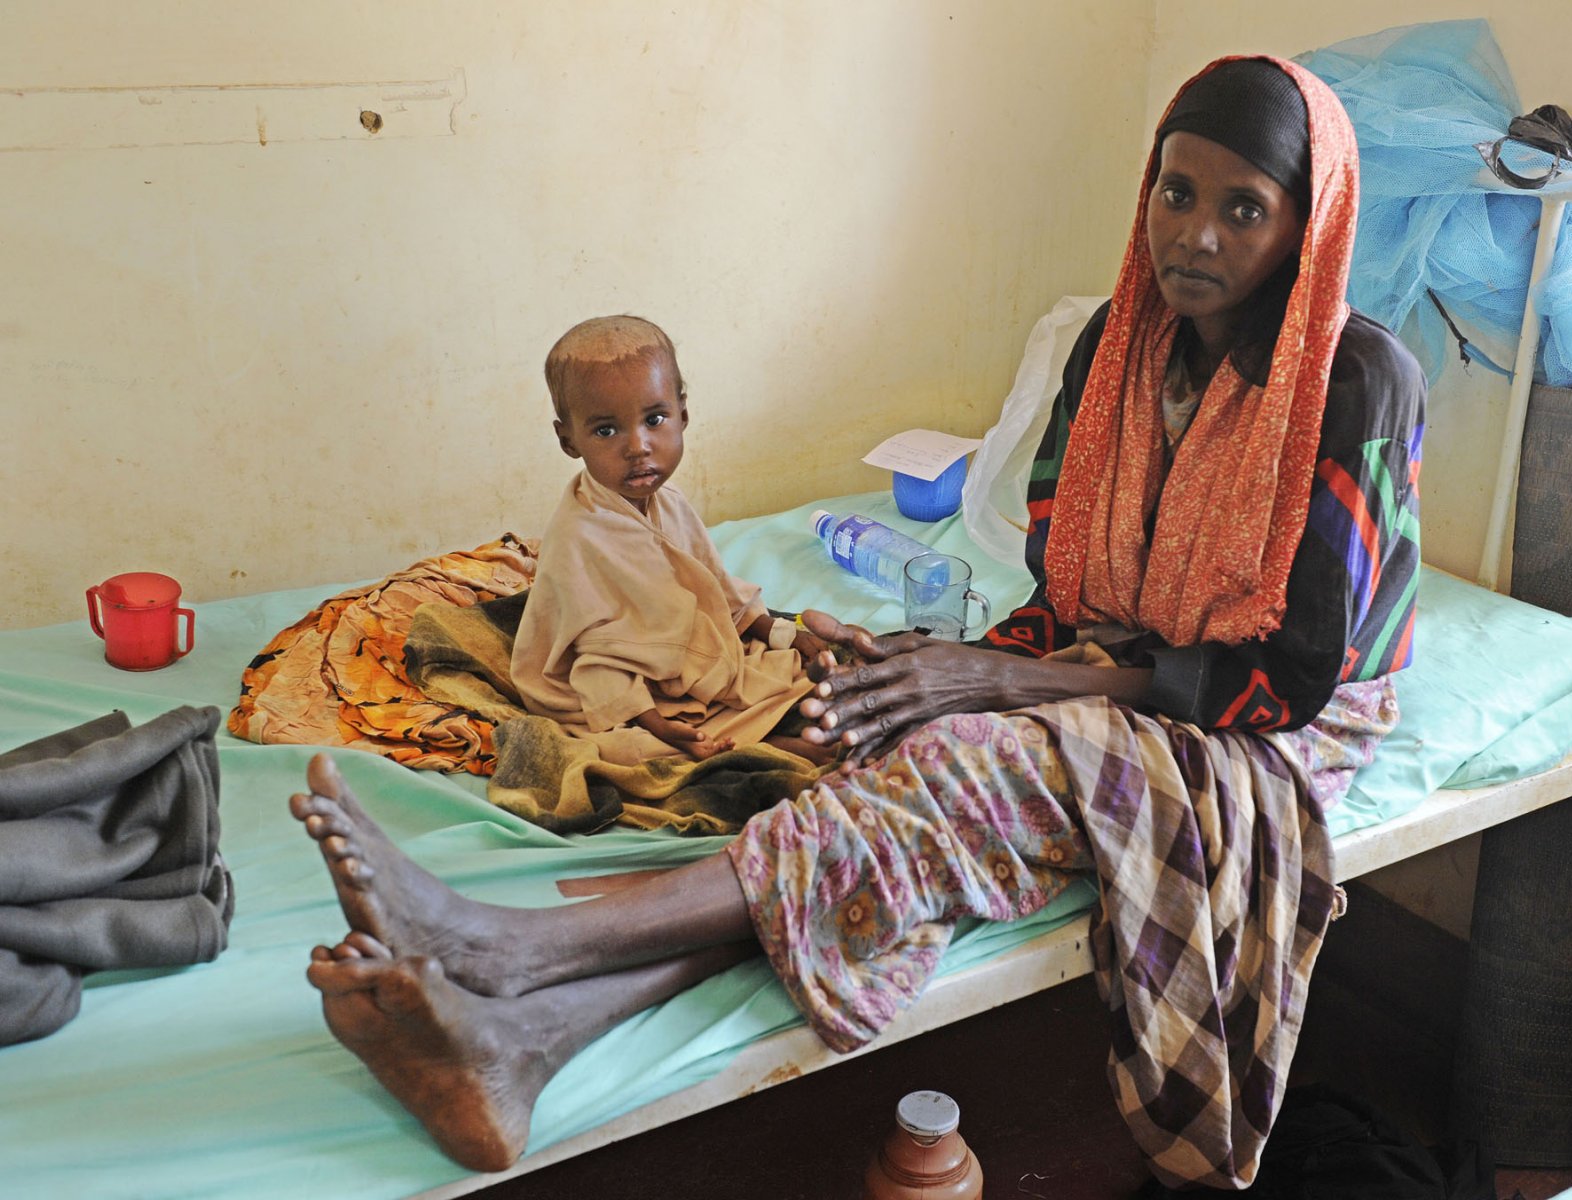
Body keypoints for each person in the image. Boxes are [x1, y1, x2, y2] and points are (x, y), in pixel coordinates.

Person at [292, 56, 1424, 1187]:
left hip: (1277, 725)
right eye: (1176, 193)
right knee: (880, 747)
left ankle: (514, 951)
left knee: (966, 763)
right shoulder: (1118, 352)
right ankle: (527, 1043)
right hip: (1125, 672)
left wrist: (996, 688)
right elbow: (1073, 599)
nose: (1198, 236)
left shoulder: (1358, 384)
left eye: (1244, 209)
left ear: (1305, 226)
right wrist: (939, 663)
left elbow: (1290, 680)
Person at [509, 315, 829, 765]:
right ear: (568, 440)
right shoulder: (576, 539)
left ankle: (768, 730)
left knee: (795, 674)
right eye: (606, 430)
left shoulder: (669, 501)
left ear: (683, 414)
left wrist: (779, 633)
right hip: (611, 695)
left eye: (655, 419)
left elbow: (714, 589)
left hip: (674, 668)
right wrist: (656, 723)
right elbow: (594, 661)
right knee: (632, 751)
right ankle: (762, 747)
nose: (638, 446)